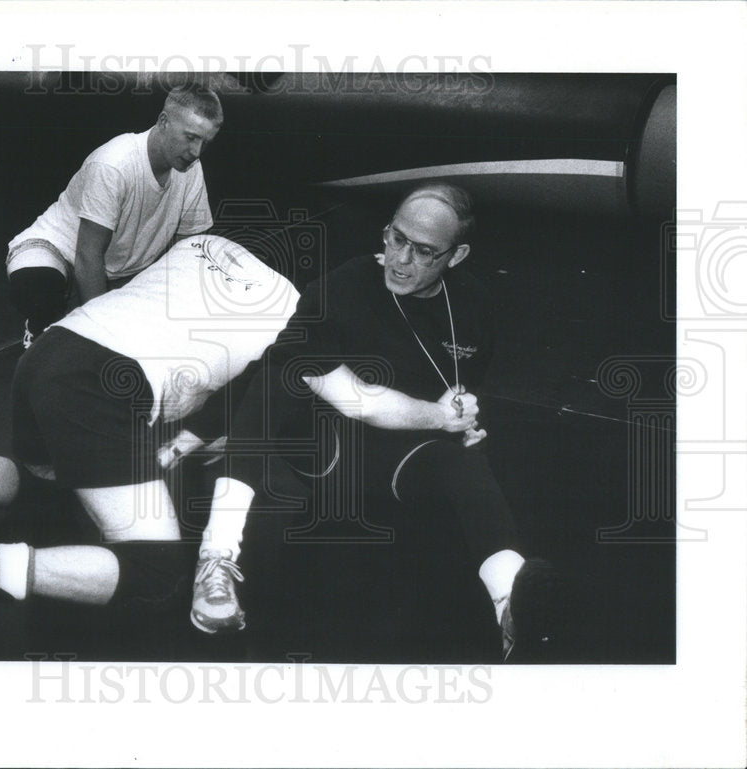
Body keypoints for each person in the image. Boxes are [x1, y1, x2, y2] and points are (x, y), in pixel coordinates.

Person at [0, 234, 299, 657]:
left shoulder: (202, 246)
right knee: (158, 571)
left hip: (50, 352)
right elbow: (246, 442)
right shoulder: (297, 327)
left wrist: (184, 440)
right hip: (103, 385)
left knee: (45, 480)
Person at [189, 183, 564, 659]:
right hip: (324, 449)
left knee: (466, 460)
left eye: (424, 251)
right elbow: (356, 401)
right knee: (277, 378)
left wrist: (466, 414)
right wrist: (440, 415)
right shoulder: (342, 288)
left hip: (397, 455)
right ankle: (216, 558)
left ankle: (511, 607)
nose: (401, 259)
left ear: (457, 254)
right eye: (396, 238)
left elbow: (460, 388)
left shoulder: (473, 307)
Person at [6, 83, 222, 348]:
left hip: (122, 272)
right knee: (38, 290)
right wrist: (103, 334)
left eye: (205, 142)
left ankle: (84, 306)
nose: (196, 152)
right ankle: (40, 325)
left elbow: (191, 251)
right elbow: (87, 256)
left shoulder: (191, 170)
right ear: (163, 121)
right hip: (57, 250)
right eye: (190, 137)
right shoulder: (114, 163)